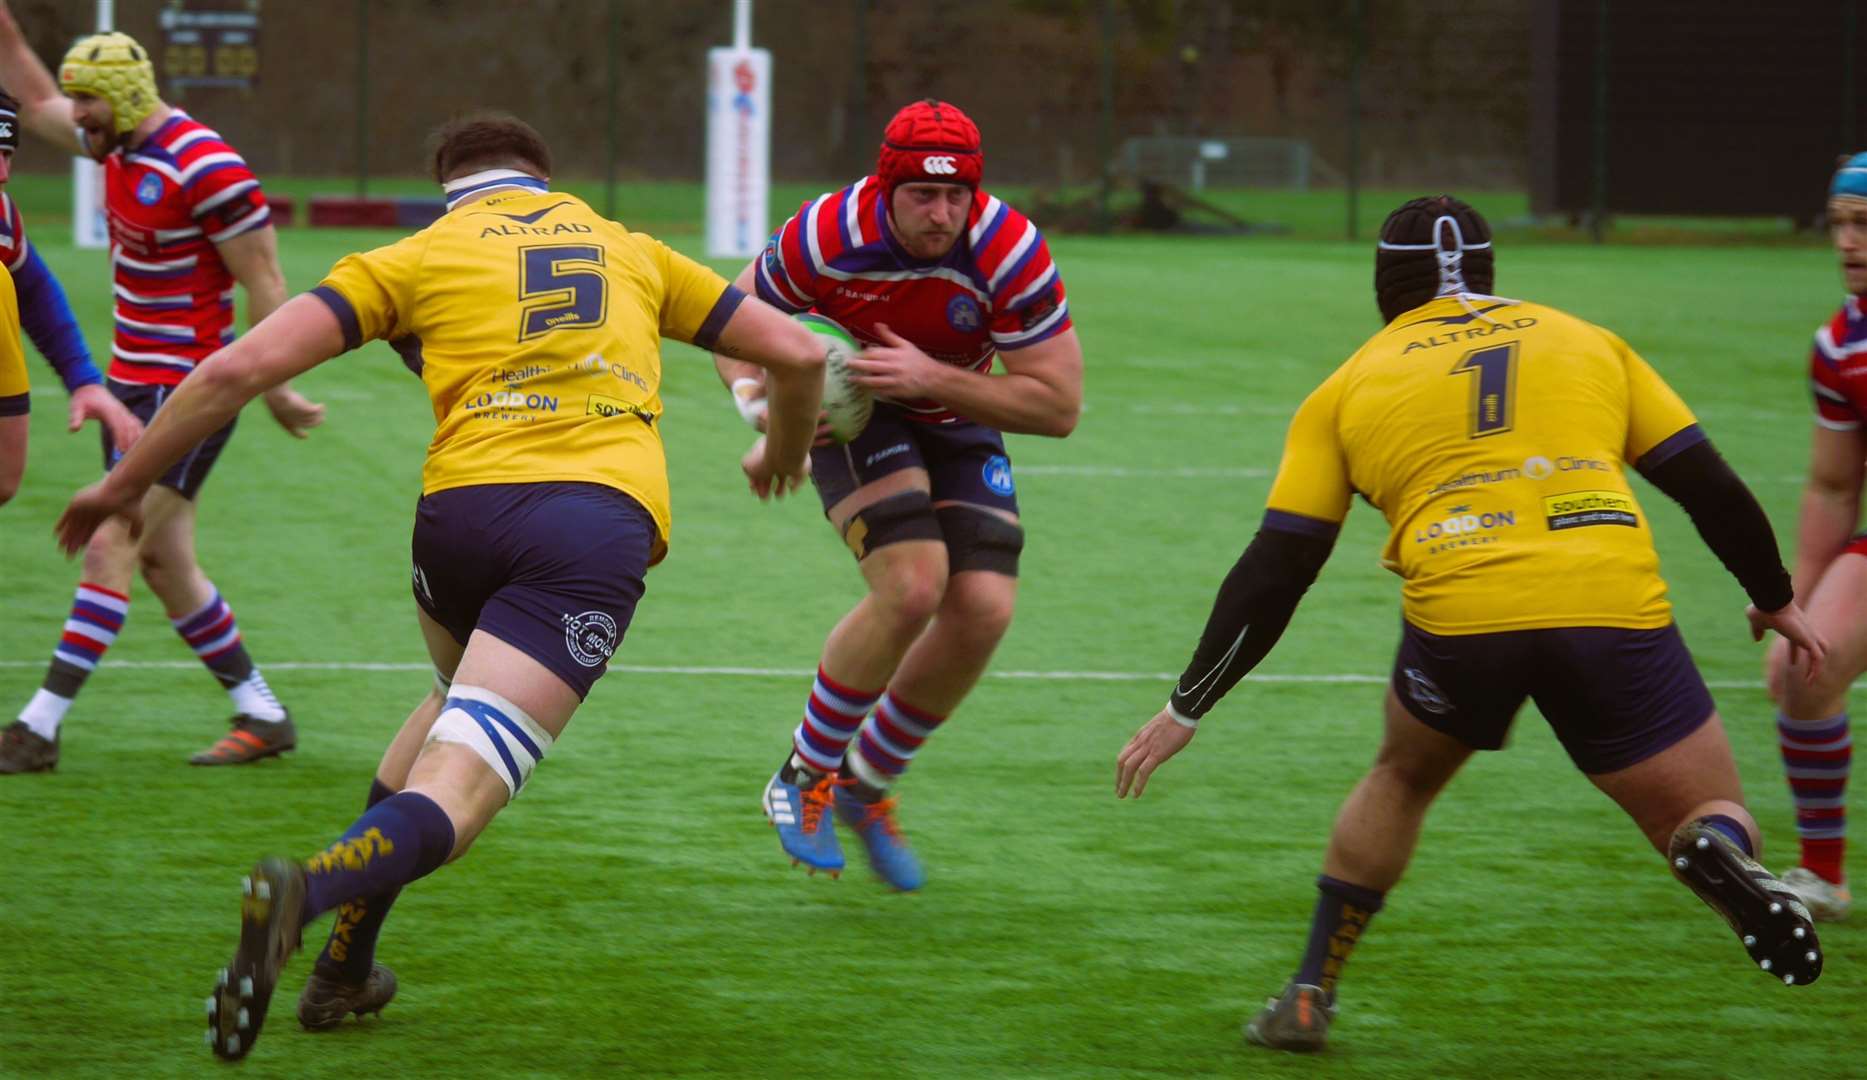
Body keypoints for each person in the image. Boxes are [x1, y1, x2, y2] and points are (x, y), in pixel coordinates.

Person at [55, 112, 827, 1062]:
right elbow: (795, 354)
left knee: (446, 702)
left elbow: (231, 371)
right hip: (586, 528)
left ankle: (344, 969)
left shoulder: (410, 259)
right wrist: (783, 451)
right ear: (545, 177)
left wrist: (120, 484)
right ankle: (312, 888)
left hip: (455, 524)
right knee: (462, 784)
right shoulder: (630, 250)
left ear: (448, 184)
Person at [1115, 196, 1830, 1053]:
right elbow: (1706, 483)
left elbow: (1277, 567)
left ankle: (1309, 991)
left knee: (1403, 776)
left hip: (1464, 615)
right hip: (1604, 596)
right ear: (1490, 273)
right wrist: (1772, 593)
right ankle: (1718, 851)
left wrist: (1187, 705)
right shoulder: (1586, 340)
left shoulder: (1344, 386)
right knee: (1708, 805)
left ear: (1385, 285)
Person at [716, 99, 1082, 890]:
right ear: (886, 188)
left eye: (957, 196)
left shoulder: (1010, 250)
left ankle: (864, 786)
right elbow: (732, 319)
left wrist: (933, 378)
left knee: (982, 607)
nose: (941, 213)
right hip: (859, 413)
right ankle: (803, 776)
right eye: (922, 194)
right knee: (914, 586)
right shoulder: (825, 235)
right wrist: (762, 407)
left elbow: (1058, 405)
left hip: (957, 407)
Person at [0, 19, 324, 774]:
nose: (73, 118)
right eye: (75, 103)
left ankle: (36, 730)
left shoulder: (205, 165)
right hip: (128, 388)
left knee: (113, 541)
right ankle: (262, 714)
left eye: (87, 104)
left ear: (121, 97)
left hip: (194, 391)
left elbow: (265, 282)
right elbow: (35, 87)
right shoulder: (113, 143)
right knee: (166, 563)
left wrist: (274, 388)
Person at [1761, 152, 1867, 922]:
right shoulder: (1838, 346)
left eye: (1862, 224)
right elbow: (1833, 486)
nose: (1846, 243)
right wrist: (1792, 601)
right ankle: (1821, 877)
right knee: (1803, 666)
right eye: (1837, 224)